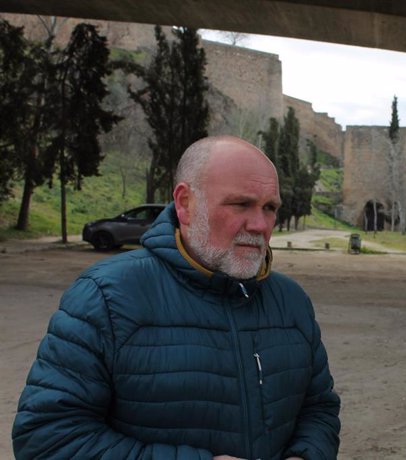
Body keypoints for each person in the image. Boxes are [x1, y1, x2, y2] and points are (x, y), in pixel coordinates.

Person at [12, 135, 341, 460]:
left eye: (270, 208)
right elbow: (46, 438)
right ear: (185, 203)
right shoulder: (106, 297)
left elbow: (319, 410)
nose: (259, 225)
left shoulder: (291, 301)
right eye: (241, 204)